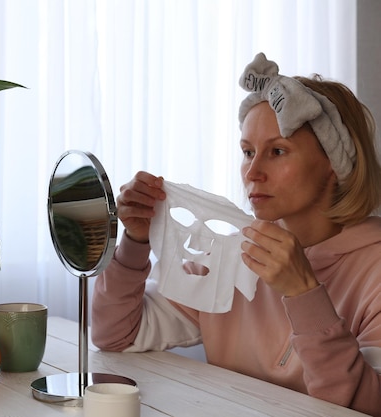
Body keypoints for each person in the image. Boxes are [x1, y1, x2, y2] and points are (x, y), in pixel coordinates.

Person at [91, 52, 381, 416]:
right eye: (247, 152)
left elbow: (367, 406)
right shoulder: (233, 254)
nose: (252, 172)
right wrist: (135, 242)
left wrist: (305, 294)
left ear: (335, 165)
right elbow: (116, 335)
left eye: (277, 151)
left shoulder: (374, 271)